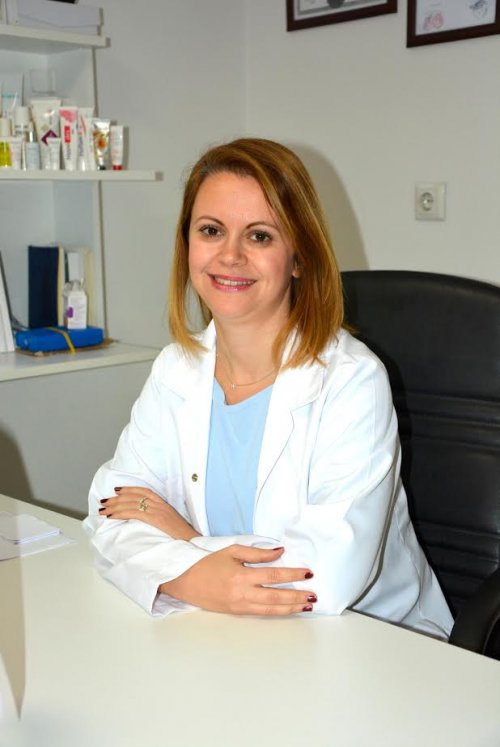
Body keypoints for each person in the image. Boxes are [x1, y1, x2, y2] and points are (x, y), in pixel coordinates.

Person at [84, 137, 453, 636]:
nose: (229, 255)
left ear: (299, 258)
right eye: (211, 230)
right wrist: (199, 574)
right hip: (227, 632)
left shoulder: (352, 381)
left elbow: (326, 578)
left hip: (371, 640)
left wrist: (183, 538)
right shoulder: (177, 369)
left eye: (259, 236)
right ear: (187, 245)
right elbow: (110, 516)